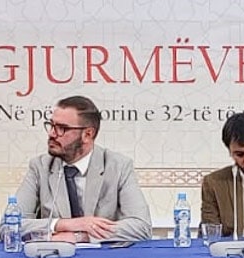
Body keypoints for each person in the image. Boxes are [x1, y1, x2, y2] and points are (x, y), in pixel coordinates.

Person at [16, 95, 152, 243]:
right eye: (51, 125)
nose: (52, 134)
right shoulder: (40, 167)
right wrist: (65, 224)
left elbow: (141, 227)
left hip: (105, 256)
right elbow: (10, 226)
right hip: (55, 256)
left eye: (62, 128)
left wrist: (81, 237)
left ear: (87, 134)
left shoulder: (118, 166)